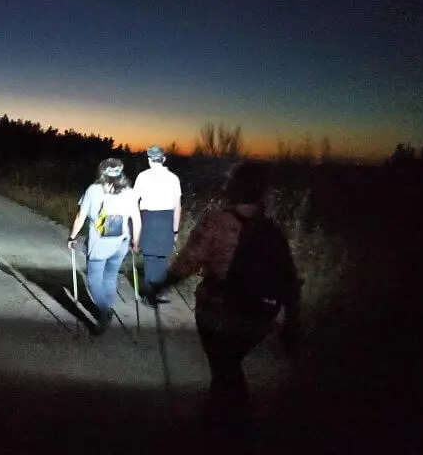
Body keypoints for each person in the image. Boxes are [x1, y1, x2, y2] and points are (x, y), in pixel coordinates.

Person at [146, 160, 302, 450]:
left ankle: (234, 429)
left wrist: (160, 286)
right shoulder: (271, 230)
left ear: (233, 187)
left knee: (225, 368)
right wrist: (292, 321)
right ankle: (217, 416)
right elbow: (289, 278)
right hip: (259, 318)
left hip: (218, 314)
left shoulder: (217, 222)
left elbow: (189, 262)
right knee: (228, 365)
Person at [67, 158, 142, 334]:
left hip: (100, 244)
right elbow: (137, 221)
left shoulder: (93, 190)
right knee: (110, 277)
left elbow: (81, 216)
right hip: (121, 243)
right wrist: (135, 242)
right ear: (121, 173)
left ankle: (104, 312)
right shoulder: (130, 193)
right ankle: (106, 308)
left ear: (101, 172)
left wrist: (72, 237)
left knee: (94, 280)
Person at [133, 145, 182, 303]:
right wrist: (175, 231)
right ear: (164, 159)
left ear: (149, 159)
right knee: (161, 258)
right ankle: (157, 292)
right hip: (166, 220)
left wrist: (136, 227)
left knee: (150, 259)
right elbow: (177, 207)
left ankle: (151, 294)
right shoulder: (173, 178)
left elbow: (134, 201)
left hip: (149, 218)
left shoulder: (142, 176)